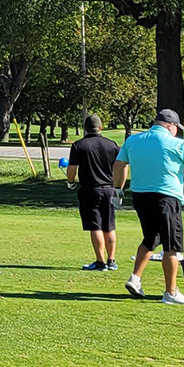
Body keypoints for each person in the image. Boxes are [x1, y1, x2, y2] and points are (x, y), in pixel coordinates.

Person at [115, 107, 184, 305]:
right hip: (166, 198)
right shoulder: (177, 144)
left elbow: (119, 165)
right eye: (176, 127)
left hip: (140, 196)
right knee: (172, 246)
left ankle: (135, 279)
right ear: (170, 126)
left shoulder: (133, 141)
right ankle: (170, 293)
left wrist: (116, 189)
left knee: (151, 238)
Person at [63, 113, 121, 271]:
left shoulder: (79, 145)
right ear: (101, 127)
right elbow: (121, 167)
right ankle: (111, 260)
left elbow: (72, 169)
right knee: (109, 226)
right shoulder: (112, 144)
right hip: (109, 189)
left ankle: (100, 262)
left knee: (95, 226)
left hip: (90, 190)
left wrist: (70, 182)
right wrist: (118, 187)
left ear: (85, 128)